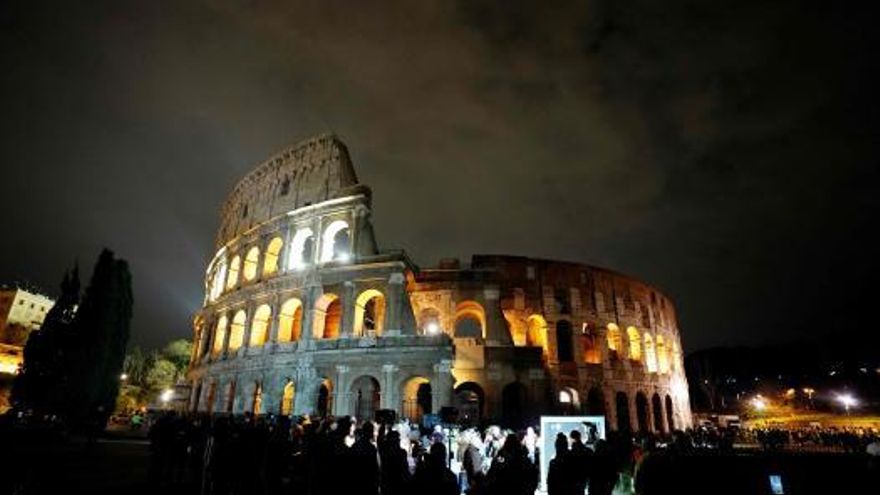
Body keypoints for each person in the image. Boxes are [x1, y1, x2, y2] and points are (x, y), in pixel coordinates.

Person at [349, 421, 381, 495]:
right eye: (372, 431)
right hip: (368, 482)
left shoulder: (355, 446)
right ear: (370, 432)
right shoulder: (371, 448)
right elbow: (375, 468)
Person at [380, 430, 410, 495]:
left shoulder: (384, 452)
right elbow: (405, 469)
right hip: (398, 483)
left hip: (387, 484)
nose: (399, 440)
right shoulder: (401, 453)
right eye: (398, 439)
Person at [569, 429, 593, 494]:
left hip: (573, 481)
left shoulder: (570, 453)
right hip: (584, 479)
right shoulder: (588, 451)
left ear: (572, 439)